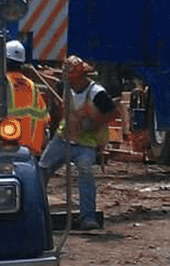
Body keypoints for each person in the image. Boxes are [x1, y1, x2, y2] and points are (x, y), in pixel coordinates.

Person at [37, 55, 117, 231]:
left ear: (79, 76)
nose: (67, 81)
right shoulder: (66, 88)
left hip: (85, 143)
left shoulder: (97, 93)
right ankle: (35, 212)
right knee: (41, 170)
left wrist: (94, 122)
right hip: (62, 139)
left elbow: (113, 113)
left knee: (85, 171)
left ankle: (88, 217)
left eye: (69, 78)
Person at [4, 40, 51, 156]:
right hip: (31, 150)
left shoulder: (2, 82)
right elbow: (45, 117)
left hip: (8, 146)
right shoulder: (31, 85)